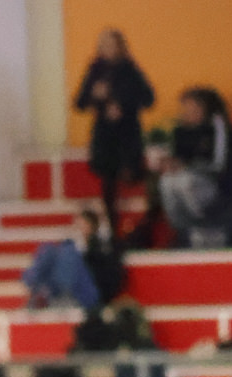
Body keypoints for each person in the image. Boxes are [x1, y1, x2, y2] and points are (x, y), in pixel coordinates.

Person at [74, 30, 157, 231]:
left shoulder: (130, 70)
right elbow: (80, 103)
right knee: (108, 180)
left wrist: (124, 104)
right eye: (105, 45)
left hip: (127, 132)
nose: (108, 50)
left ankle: (139, 226)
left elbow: (148, 98)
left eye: (113, 45)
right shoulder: (95, 71)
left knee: (131, 174)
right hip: (105, 134)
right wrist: (95, 95)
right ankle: (111, 226)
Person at [159, 89, 232, 242]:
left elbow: (218, 164)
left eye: (193, 108)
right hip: (186, 177)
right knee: (166, 181)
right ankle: (182, 230)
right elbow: (177, 158)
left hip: (211, 183)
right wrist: (170, 164)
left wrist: (187, 166)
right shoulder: (180, 130)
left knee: (185, 181)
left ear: (205, 109)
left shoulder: (216, 127)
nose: (188, 112)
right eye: (186, 108)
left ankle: (203, 223)